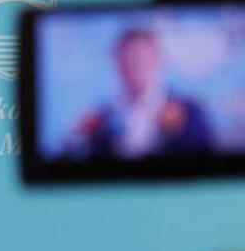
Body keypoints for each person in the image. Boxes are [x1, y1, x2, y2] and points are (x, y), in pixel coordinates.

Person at [68, 28, 214, 159]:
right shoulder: (99, 119)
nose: (135, 67)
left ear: (158, 61)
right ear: (117, 64)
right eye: (126, 60)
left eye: (141, 59)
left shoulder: (190, 112)